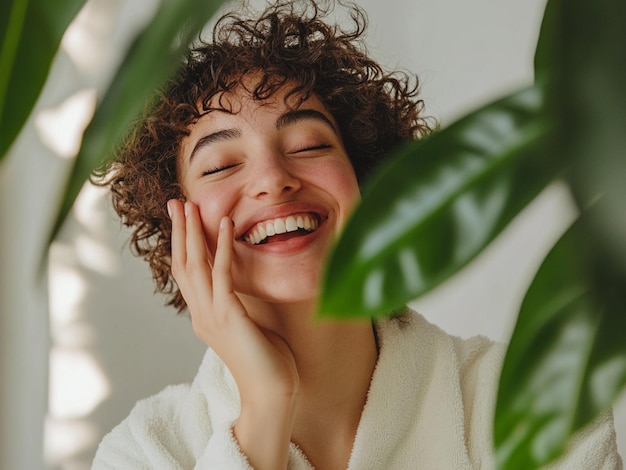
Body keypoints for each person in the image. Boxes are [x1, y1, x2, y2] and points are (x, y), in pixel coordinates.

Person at [92, 1, 622, 469]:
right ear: (176, 225)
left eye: (308, 145)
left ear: (371, 182)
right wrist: (266, 405)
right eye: (221, 165)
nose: (274, 178)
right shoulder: (144, 452)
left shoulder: (532, 400)